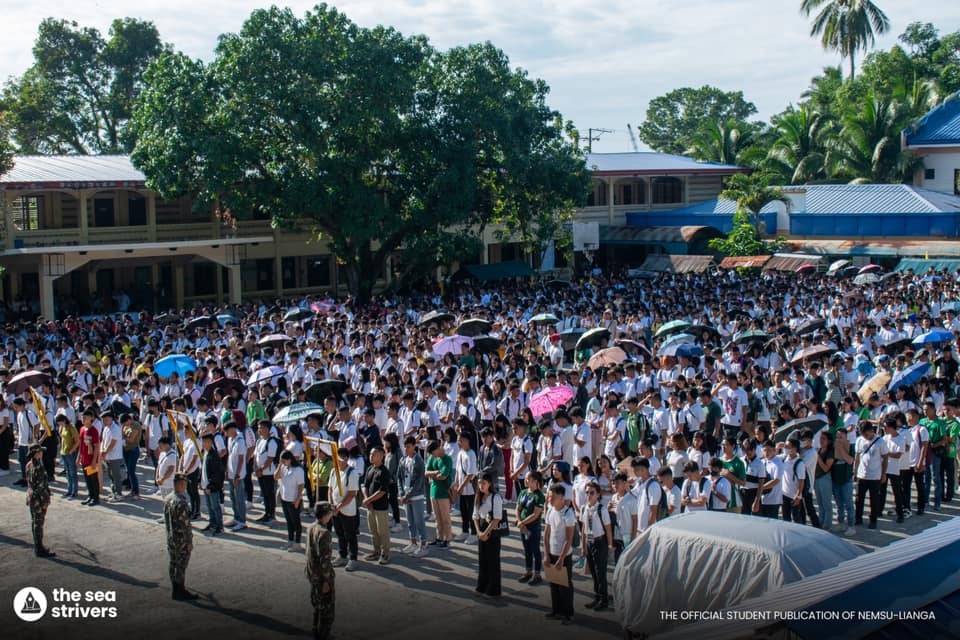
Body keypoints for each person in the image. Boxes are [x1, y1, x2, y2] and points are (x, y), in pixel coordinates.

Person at [544, 484, 576, 625]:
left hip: (564, 556)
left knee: (565, 586)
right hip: (551, 553)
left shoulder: (568, 514)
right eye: (549, 496)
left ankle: (568, 613)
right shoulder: (550, 511)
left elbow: (569, 539)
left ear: (561, 498)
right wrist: (546, 554)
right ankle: (556, 610)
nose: (550, 499)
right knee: (554, 584)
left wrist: (562, 558)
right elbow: (546, 535)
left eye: (553, 497)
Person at [579, 481, 613, 611]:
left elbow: (608, 529)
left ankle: (603, 599)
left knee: (601, 573)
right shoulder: (584, 508)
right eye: (587, 492)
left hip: (600, 542)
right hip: (589, 541)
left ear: (598, 494)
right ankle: (597, 597)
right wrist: (583, 546)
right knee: (593, 572)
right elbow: (583, 528)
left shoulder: (601, 509)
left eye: (592, 493)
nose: (588, 495)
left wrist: (610, 545)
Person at [164, 473, 198, 601]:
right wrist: (189, 541)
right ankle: (180, 590)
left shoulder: (168, 498)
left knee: (173, 563)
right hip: (181, 539)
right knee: (181, 565)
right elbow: (185, 524)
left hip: (171, 538)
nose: (185, 487)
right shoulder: (181, 502)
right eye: (184, 484)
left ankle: (175, 589)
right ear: (180, 485)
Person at [306, 502, 336, 640]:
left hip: (312, 573)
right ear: (325, 515)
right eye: (330, 513)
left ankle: (315, 631)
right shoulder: (324, 533)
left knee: (317, 607)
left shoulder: (311, 528)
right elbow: (325, 560)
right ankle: (323, 635)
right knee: (326, 611)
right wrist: (326, 581)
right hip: (321, 577)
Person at [472, 472, 504, 598]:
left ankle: (493, 589)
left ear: (489, 484)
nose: (481, 486)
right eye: (479, 483)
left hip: (492, 531)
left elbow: (497, 518)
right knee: (483, 560)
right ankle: (482, 586)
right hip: (481, 529)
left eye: (483, 483)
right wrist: (479, 532)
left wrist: (486, 533)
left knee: (493, 561)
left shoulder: (495, 497)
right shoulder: (478, 496)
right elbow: (475, 516)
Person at [330, 446, 360, 571]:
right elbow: (330, 489)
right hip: (335, 508)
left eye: (340, 458)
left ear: (346, 459)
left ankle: (353, 558)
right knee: (339, 533)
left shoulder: (352, 473)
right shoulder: (333, 471)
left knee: (350, 534)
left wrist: (339, 506)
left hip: (347, 509)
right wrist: (331, 504)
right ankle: (342, 555)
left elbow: (352, 494)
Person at [398, 435, 429, 557]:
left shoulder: (419, 461)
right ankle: (413, 542)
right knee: (410, 521)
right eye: (405, 447)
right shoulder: (403, 460)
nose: (406, 449)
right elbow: (399, 478)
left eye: (408, 447)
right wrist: (401, 493)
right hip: (405, 495)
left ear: (414, 446)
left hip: (416, 496)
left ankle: (424, 545)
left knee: (419, 521)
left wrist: (408, 494)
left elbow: (418, 481)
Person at [854, 421, 888, 530]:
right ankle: (858, 517)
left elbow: (885, 458)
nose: (865, 436)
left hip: (875, 476)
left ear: (871, 431)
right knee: (859, 498)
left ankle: (873, 520)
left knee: (874, 499)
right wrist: (855, 471)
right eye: (863, 434)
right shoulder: (859, 440)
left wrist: (883, 474)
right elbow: (857, 456)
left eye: (866, 434)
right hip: (862, 474)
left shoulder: (880, 442)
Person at [362, 446, 392, 564]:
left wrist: (369, 500)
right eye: (370, 454)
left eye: (374, 454)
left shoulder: (384, 472)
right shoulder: (370, 468)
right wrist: (366, 499)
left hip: (380, 506)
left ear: (381, 456)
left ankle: (385, 553)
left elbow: (382, 491)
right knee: (373, 530)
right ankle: (376, 551)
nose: (371, 456)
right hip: (370, 506)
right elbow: (364, 485)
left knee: (382, 531)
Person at [516, 470, 545, 585]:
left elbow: (536, 514)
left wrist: (522, 522)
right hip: (523, 526)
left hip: (533, 527)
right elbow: (518, 508)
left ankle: (537, 574)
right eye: (526, 479)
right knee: (527, 549)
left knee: (535, 550)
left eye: (529, 479)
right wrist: (519, 521)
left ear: (535, 481)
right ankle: (528, 571)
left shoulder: (539, 496)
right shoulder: (523, 492)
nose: (526, 481)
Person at [26, 443, 55, 558]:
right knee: (39, 523)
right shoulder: (39, 467)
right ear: (37, 453)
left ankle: (37, 546)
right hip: (38, 499)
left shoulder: (28, 465)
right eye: (40, 451)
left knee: (34, 522)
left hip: (31, 498)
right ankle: (39, 548)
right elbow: (41, 487)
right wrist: (45, 502)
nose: (42, 453)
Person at [276, 450, 306, 551]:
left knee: (296, 522)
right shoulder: (284, 467)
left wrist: (298, 499)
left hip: (293, 499)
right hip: (285, 498)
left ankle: (297, 543)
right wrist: (280, 466)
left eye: (284, 461)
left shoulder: (298, 470)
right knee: (289, 521)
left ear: (289, 459)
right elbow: (275, 477)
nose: (283, 463)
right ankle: (290, 540)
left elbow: (301, 486)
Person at [425, 440, 453, 548]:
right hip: (433, 491)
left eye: (433, 452)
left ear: (438, 449)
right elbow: (426, 473)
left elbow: (444, 476)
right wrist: (436, 473)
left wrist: (433, 475)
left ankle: (447, 538)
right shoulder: (432, 458)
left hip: (444, 492)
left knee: (445, 517)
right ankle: (439, 537)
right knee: (437, 517)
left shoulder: (447, 459)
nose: (433, 455)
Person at [454, 432, 478, 544]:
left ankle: (474, 532)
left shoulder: (471, 454)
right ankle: (464, 530)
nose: (459, 442)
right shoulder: (460, 453)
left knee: (471, 512)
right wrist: (455, 483)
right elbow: (458, 471)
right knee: (463, 510)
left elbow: (470, 474)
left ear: (467, 441)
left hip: (470, 488)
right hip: (462, 488)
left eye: (461, 440)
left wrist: (461, 487)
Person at [223, 422, 247, 532]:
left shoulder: (240, 441)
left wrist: (237, 475)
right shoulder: (230, 440)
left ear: (232, 429)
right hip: (232, 473)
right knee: (233, 497)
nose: (226, 434)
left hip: (238, 475)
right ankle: (236, 517)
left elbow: (241, 459)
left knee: (240, 498)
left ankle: (242, 521)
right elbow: (229, 456)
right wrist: (228, 471)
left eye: (227, 431)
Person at [200, 433, 225, 536]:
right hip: (205, 484)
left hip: (212, 487)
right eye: (203, 442)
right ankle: (212, 523)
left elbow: (217, 474)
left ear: (211, 442)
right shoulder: (205, 453)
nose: (204, 444)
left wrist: (211, 486)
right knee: (209, 506)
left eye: (206, 442)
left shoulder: (214, 456)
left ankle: (220, 526)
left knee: (215, 506)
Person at [255, 421, 279, 523]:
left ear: (268, 429)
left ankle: (271, 514)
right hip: (260, 472)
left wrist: (261, 469)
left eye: (262, 428)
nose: (260, 430)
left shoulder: (271, 442)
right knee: (264, 494)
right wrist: (256, 468)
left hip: (268, 473)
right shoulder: (259, 441)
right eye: (259, 428)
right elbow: (256, 456)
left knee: (270, 494)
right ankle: (266, 513)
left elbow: (270, 458)